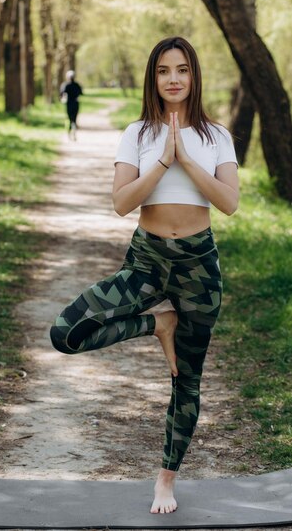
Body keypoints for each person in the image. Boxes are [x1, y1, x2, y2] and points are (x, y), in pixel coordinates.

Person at [50, 36, 239, 514]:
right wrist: (162, 160)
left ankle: (166, 481)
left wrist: (188, 159)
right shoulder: (136, 133)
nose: (172, 79)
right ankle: (160, 323)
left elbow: (229, 203)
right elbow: (121, 203)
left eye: (181, 70)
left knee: (187, 381)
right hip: (146, 263)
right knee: (64, 333)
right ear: (152, 78)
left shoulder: (217, 135)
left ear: (194, 76)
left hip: (199, 268)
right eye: (163, 71)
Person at [60, 70, 83, 140]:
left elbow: (61, 94)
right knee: (74, 119)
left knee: (70, 119)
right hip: (75, 104)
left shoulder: (65, 85)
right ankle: (73, 131)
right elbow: (81, 93)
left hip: (69, 104)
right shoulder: (77, 85)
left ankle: (70, 132)